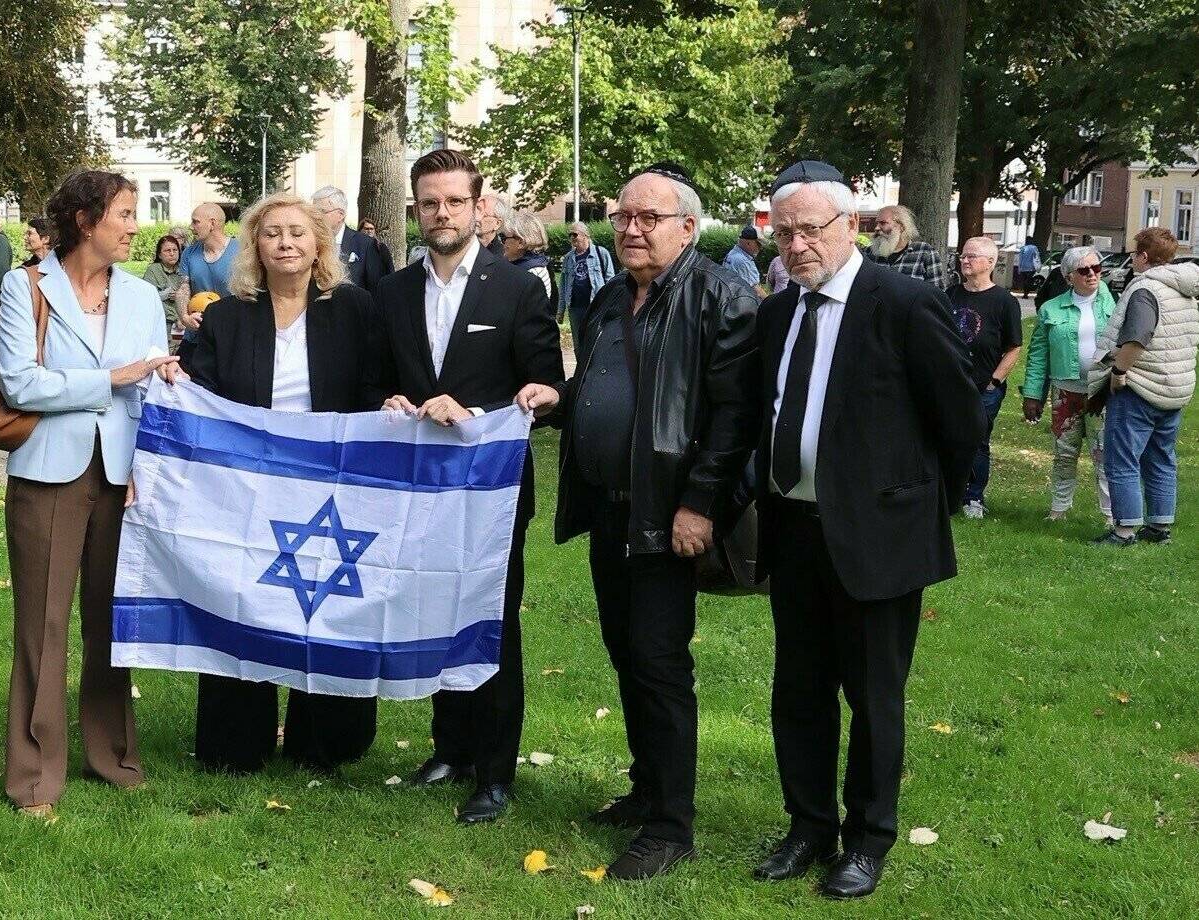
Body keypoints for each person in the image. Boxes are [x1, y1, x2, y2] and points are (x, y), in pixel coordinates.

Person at [753, 162, 979, 899]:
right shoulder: (778, 312)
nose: (793, 246)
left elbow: (957, 415)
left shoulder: (902, 302)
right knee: (799, 690)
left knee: (874, 697)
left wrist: (916, 503)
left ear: (849, 227)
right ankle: (807, 827)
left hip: (879, 534)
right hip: (792, 528)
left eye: (808, 230)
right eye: (781, 232)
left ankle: (867, 840)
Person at [546, 163, 760, 880]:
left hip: (666, 518)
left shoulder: (719, 296)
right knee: (626, 655)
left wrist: (699, 503)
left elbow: (736, 414)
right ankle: (646, 790)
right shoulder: (611, 296)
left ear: (687, 229)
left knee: (660, 665)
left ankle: (671, 826)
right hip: (611, 512)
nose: (630, 229)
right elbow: (600, 384)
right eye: (623, 217)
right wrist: (557, 400)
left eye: (647, 218)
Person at [370, 149, 563, 825]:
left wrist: (481, 414)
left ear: (479, 207)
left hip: (490, 490)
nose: (441, 213)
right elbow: (374, 380)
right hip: (414, 490)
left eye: (453, 201)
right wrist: (389, 399)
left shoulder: (516, 291)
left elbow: (545, 389)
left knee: (489, 622)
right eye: (429, 202)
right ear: (415, 209)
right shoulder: (391, 293)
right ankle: (448, 747)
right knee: (431, 615)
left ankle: (495, 771)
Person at [0, 170, 175, 816]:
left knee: (111, 622)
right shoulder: (26, 286)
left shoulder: (142, 297)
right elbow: (20, 385)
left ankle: (113, 754)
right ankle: (35, 777)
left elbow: (151, 392)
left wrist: (147, 462)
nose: (135, 226)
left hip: (122, 480)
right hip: (47, 474)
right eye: (125, 214)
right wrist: (110, 378)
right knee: (42, 626)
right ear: (84, 220)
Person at [186, 192, 385, 774]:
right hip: (247, 488)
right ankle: (235, 742)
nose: (286, 243)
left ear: (319, 242)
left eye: (297, 232)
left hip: (333, 486)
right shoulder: (227, 316)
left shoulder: (354, 309)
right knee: (246, 600)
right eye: (272, 233)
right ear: (255, 246)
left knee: (321, 605)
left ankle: (323, 742)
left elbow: (372, 389)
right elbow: (201, 395)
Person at [1092, 227, 1199, 546]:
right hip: (1176, 386)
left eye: (1134, 254)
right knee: (1161, 456)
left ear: (1143, 257)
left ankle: (1124, 530)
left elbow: (1137, 338)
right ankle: (1159, 526)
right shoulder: (1185, 288)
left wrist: (1119, 371)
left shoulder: (1146, 290)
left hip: (1142, 386)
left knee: (1121, 458)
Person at [1022, 246, 1115, 522]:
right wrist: (1032, 394)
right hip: (1065, 392)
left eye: (1097, 269)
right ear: (1068, 276)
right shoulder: (1051, 309)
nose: (1092, 275)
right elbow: (1038, 355)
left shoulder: (1115, 304)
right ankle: (1059, 509)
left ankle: (1112, 514)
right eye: (1084, 271)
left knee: (1104, 454)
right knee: (1064, 453)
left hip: (1103, 391)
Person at [946, 236, 1023, 519]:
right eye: (962, 255)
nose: (964, 261)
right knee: (948, 438)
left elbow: (1014, 347)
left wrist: (994, 381)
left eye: (971, 257)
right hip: (951, 385)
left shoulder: (1004, 301)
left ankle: (973, 497)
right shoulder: (951, 295)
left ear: (990, 262)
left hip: (984, 387)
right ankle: (949, 492)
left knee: (977, 440)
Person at [179, 202, 236, 364]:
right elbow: (183, 288)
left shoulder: (241, 252)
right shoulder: (189, 253)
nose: (191, 227)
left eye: (195, 222)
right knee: (177, 381)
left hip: (230, 337)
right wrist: (184, 317)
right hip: (196, 335)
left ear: (212, 223)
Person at [310, 186, 394, 293]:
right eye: (312, 212)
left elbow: (376, 289)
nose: (315, 217)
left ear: (341, 214)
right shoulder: (309, 244)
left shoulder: (366, 245)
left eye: (321, 212)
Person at [559, 220, 616, 349]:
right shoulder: (568, 258)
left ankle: (593, 368)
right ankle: (580, 368)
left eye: (574, 234)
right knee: (578, 343)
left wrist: (609, 304)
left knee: (595, 340)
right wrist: (560, 310)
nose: (571, 238)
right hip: (575, 307)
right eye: (570, 235)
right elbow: (563, 285)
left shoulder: (601, 253)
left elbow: (611, 280)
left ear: (585, 235)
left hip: (595, 305)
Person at [866, 204, 949, 290]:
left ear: (901, 227)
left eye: (883, 223)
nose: (876, 228)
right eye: (876, 223)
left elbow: (937, 294)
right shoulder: (868, 253)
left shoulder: (924, 252)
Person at [499, 210, 555, 302]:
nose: (502, 242)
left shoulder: (533, 272)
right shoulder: (516, 264)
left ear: (521, 242)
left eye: (504, 238)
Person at [141, 233, 189, 326]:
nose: (172, 253)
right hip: (161, 322)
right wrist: (166, 294)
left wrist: (181, 296)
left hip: (185, 321)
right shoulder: (153, 270)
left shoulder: (184, 269)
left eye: (175, 250)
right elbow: (146, 299)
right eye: (167, 251)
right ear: (159, 255)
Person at [723, 225, 763, 290]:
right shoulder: (742, 260)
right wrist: (770, 300)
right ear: (748, 243)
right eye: (759, 244)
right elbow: (756, 290)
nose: (760, 247)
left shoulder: (733, 254)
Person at [477, 191, 513, 257]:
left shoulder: (503, 257)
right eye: (474, 213)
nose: (476, 218)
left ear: (497, 223)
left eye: (484, 215)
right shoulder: (459, 247)